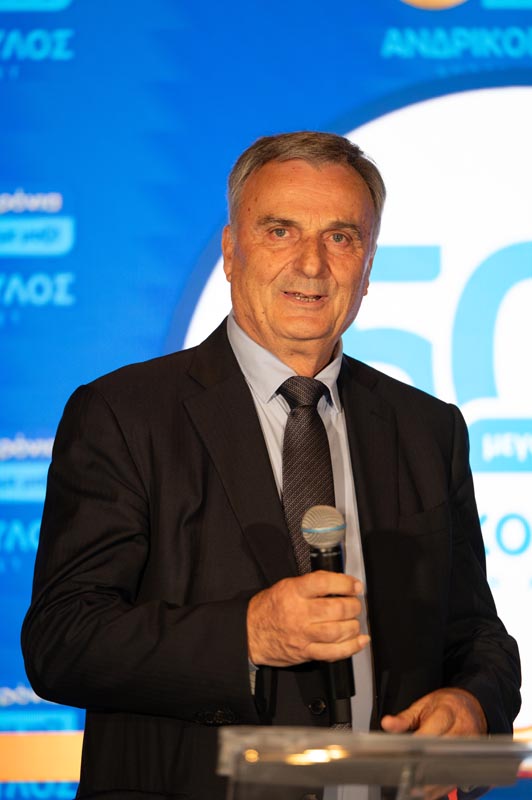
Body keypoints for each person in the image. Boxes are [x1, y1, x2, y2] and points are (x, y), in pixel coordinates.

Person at [22, 132, 521, 800]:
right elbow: (62, 640)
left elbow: (477, 634)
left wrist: (473, 704)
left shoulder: (428, 430)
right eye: (281, 231)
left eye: (341, 237)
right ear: (231, 252)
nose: (312, 264)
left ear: (368, 266)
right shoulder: (123, 414)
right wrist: (248, 635)